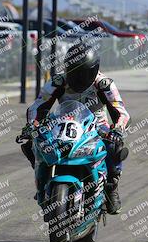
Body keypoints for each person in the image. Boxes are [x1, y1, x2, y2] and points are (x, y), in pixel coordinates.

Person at [21, 42, 131, 215]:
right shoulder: (57, 82)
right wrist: (31, 125)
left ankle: (111, 187)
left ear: (94, 70)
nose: (79, 78)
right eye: (75, 72)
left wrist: (117, 129)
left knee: (114, 146)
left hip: (96, 128)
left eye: (84, 73)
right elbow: (37, 106)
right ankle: (42, 181)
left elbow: (121, 111)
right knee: (31, 143)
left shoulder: (104, 84)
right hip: (62, 126)